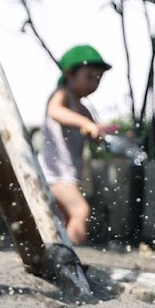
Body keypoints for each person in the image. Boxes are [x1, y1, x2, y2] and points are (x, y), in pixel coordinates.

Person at [41, 44, 117, 245]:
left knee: (63, 218)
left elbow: (93, 137)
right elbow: (55, 112)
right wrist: (86, 124)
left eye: (98, 79)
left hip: (67, 173)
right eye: (89, 77)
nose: (94, 83)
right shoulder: (62, 94)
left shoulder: (83, 108)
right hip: (54, 172)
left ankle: (57, 253)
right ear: (70, 73)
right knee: (80, 211)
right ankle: (68, 255)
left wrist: (98, 133)